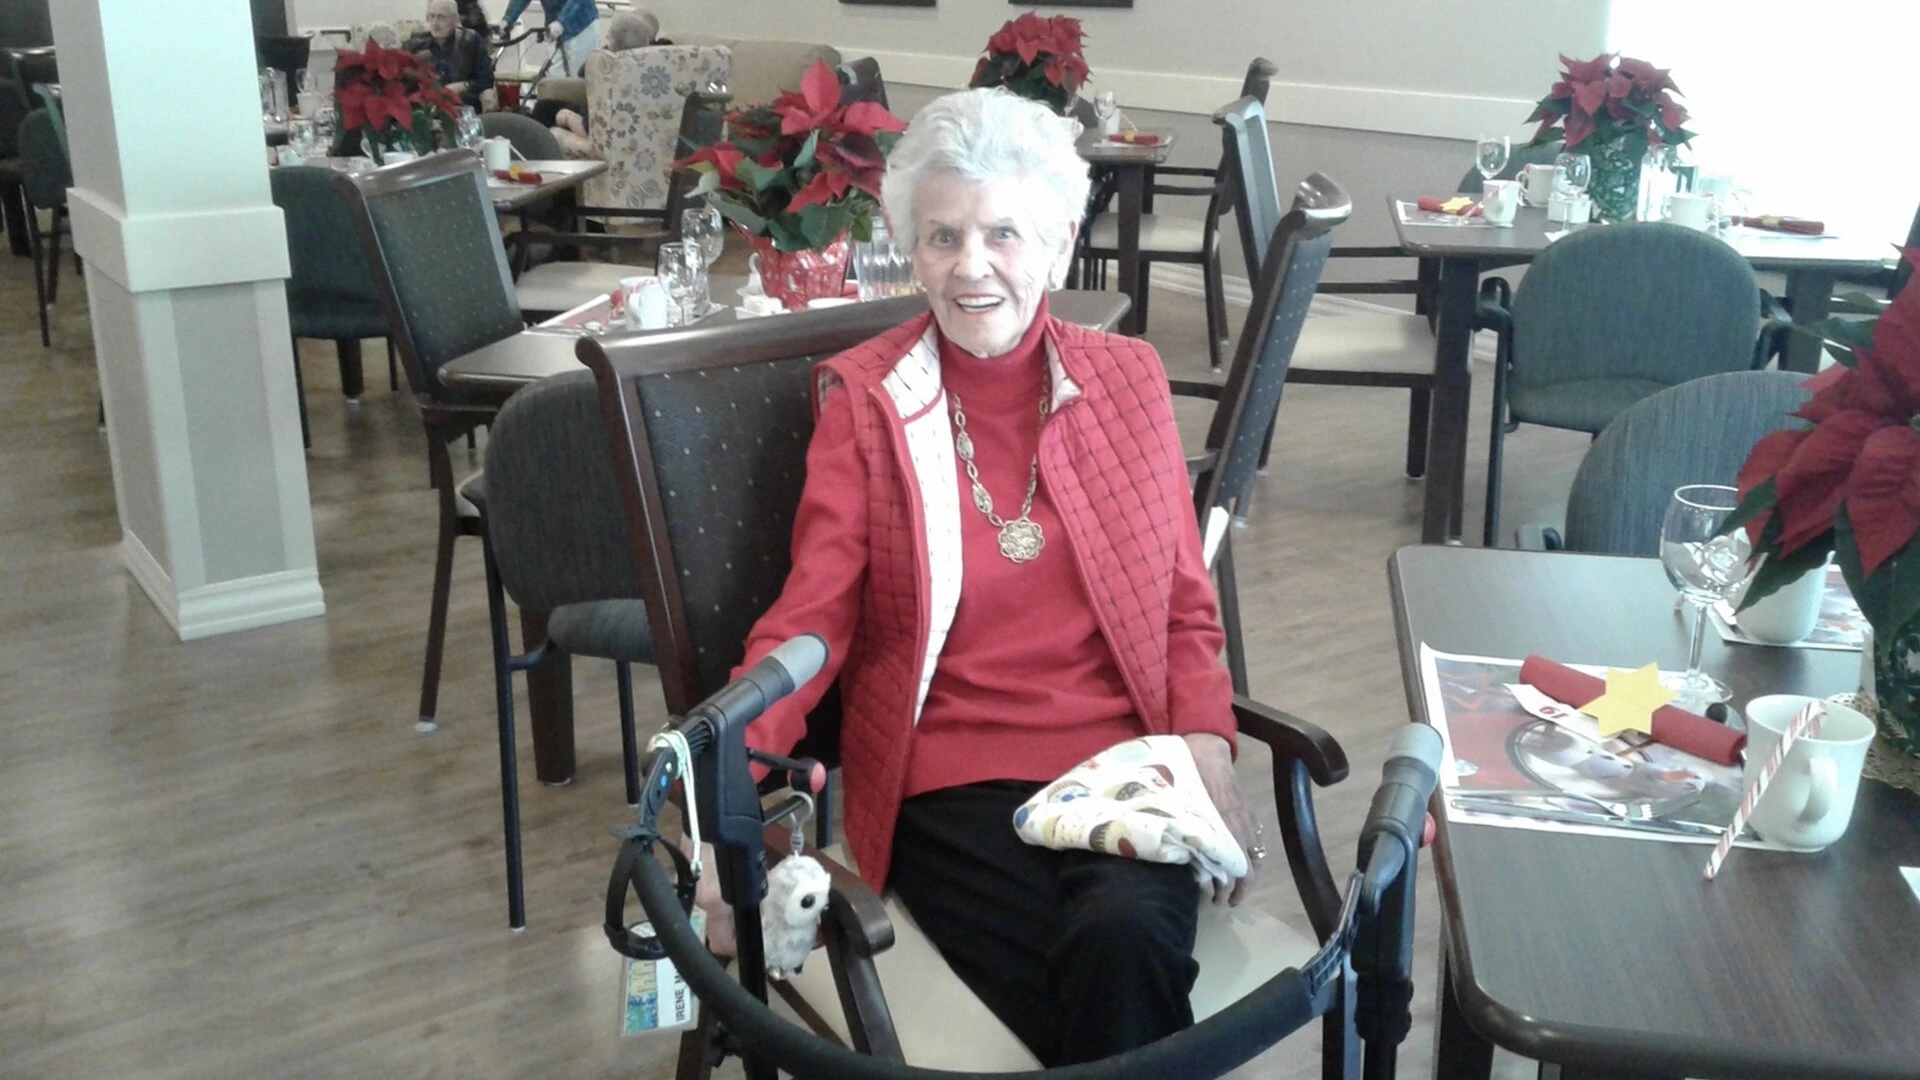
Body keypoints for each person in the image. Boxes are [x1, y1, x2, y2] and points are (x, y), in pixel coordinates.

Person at [714, 88, 1263, 1067]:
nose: (971, 268)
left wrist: (1211, 750)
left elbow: (1185, 603)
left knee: (1124, 940)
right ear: (909, 246)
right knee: (1098, 987)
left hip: (1122, 770)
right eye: (943, 236)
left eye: (1004, 234)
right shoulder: (870, 401)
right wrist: (724, 789)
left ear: (1056, 246)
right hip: (950, 777)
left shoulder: (1127, 379)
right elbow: (813, 619)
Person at [539, 9, 657, 156]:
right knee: (546, 107)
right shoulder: (657, 69)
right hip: (639, 135)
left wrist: (568, 118)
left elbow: (591, 129)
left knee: (543, 111)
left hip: (594, 125)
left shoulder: (607, 70)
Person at [408, 0, 493, 110]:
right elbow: (404, 83)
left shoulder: (471, 40)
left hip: (462, 104)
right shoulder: (416, 45)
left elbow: (486, 79)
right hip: (425, 107)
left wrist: (463, 86)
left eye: (441, 17)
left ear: (455, 19)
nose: (435, 23)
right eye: (431, 16)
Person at [500, 0, 600, 78]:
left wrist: (561, 21)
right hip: (555, 30)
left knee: (581, 80)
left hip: (582, 27)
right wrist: (508, 18)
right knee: (554, 79)